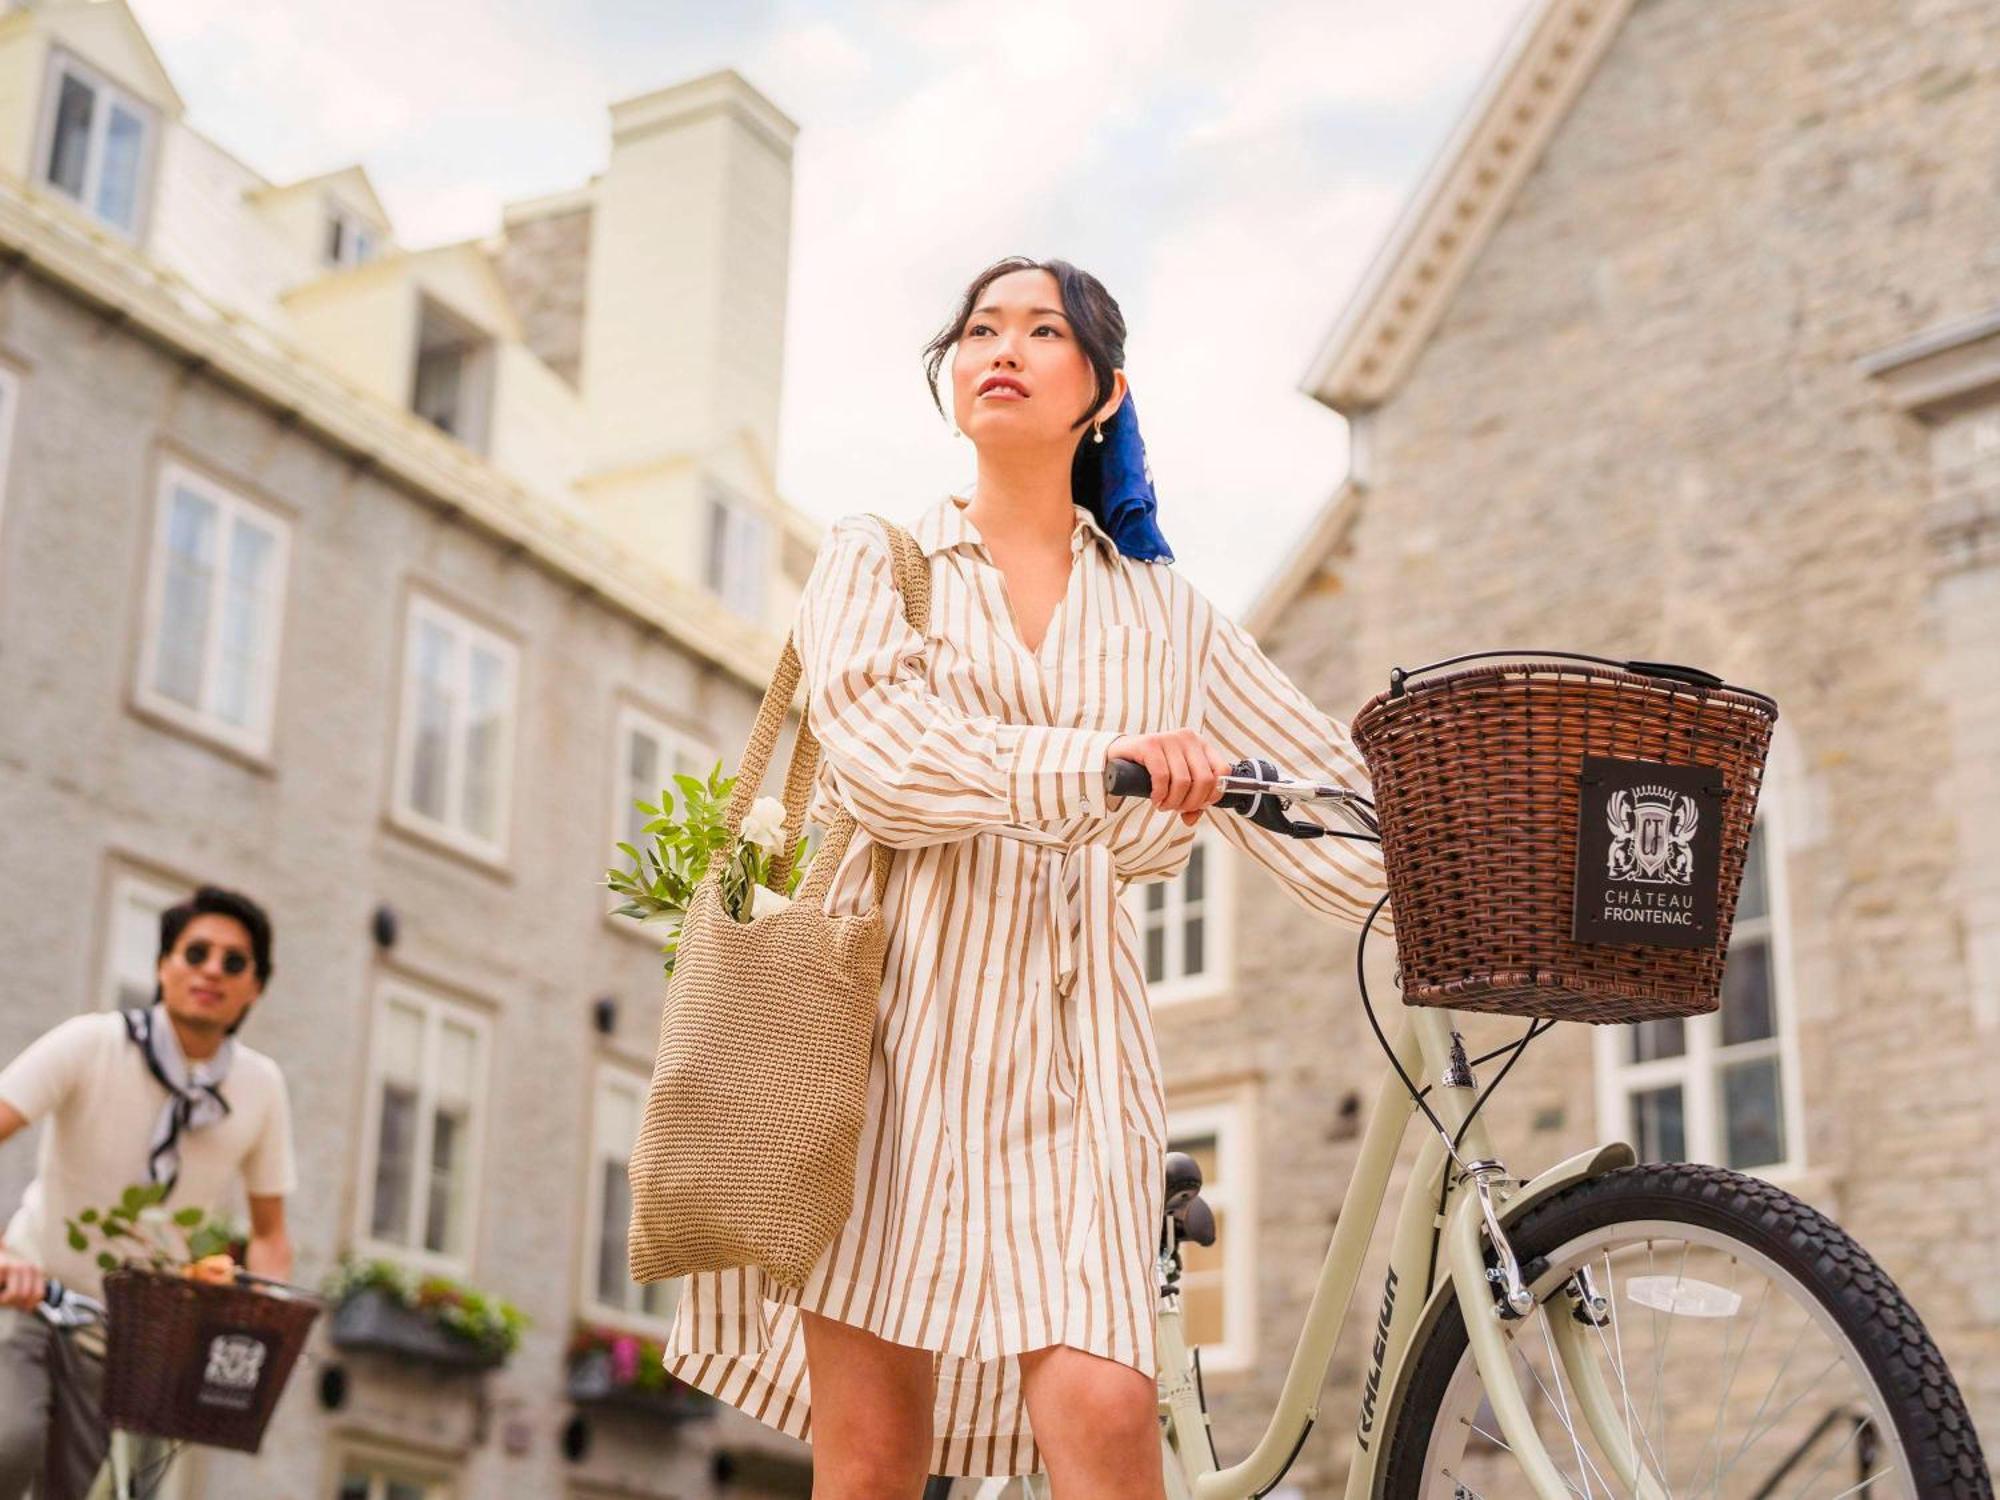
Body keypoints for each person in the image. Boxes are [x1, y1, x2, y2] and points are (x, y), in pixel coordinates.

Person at [658, 256, 1389, 1500]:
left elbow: (1322, 792)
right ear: (952, 377)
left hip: (1077, 1059)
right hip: (881, 1045)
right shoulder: (877, 562)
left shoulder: (1165, 615)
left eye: (1040, 329)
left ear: (1099, 391)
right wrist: (1099, 764)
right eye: (979, 328)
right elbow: (887, 763)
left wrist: (1468, 869)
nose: (1000, 346)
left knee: (1109, 1420)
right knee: (873, 1467)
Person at [0, 885, 297, 1498]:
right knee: (9, 1440)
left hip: (125, 1335)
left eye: (234, 962)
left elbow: (270, 1234)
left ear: (256, 988)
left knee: (77, 1489)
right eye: (196, 953)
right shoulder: (93, 1043)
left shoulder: (260, 1087)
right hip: (28, 1297)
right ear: (164, 966)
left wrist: (264, 1324)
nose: (212, 969)